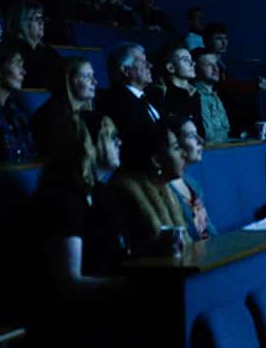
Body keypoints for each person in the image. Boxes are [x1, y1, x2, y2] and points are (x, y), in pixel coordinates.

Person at [36, 114, 128, 298]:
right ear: (89, 145)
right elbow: (70, 283)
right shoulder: (62, 199)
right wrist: (134, 287)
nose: (120, 143)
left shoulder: (100, 191)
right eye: (111, 137)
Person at [109, 121, 191, 255]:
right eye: (176, 148)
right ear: (156, 160)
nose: (184, 154)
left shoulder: (166, 188)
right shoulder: (126, 191)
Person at [95, 42, 163, 148]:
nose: (149, 65)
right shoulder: (115, 103)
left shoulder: (149, 97)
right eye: (142, 61)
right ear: (125, 70)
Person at [33, 55, 98, 157]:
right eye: (87, 76)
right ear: (69, 80)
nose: (95, 82)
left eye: (93, 76)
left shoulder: (88, 115)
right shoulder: (49, 115)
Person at [165, 115, 215, 240]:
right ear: (175, 142)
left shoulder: (192, 184)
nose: (200, 141)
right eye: (191, 136)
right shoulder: (165, 189)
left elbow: (208, 230)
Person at [6, 0, 61, 89]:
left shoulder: (49, 51)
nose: (41, 22)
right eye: (36, 19)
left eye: (42, 18)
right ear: (22, 22)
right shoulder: (13, 50)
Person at [157, 43, 204, 134]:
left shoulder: (194, 93)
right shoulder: (162, 93)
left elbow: (200, 130)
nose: (193, 63)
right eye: (186, 60)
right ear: (171, 68)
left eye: (191, 59)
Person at [192, 49, 232, 143]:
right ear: (195, 69)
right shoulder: (196, 96)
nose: (216, 69)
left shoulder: (216, 95)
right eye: (209, 65)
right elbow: (208, 137)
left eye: (216, 64)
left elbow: (226, 131)